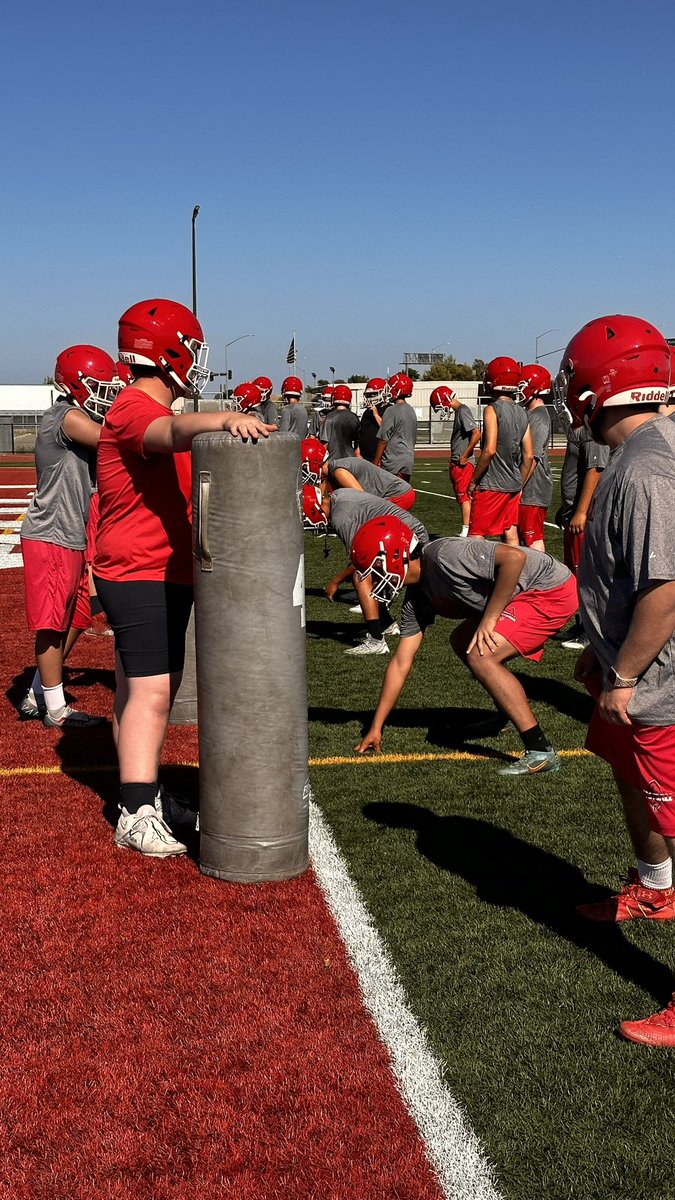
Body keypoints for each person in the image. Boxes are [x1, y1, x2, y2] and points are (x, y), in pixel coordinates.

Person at [93, 298, 274, 858]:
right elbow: (167, 434)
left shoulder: (138, 405)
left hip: (149, 567)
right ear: (169, 349)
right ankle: (135, 810)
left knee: (136, 689)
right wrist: (222, 419)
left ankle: (140, 792)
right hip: (140, 569)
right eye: (191, 349)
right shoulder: (133, 408)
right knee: (152, 691)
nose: (195, 361)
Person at [554, 313, 675, 1045]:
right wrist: (604, 652)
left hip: (657, 683)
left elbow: (664, 592)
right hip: (629, 669)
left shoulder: (648, 469)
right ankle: (654, 891)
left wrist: (624, 673)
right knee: (626, 779)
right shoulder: (635, 459)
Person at [354, 515, 577, 774]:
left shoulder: (444, 555)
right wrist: (376, 726)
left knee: (481, 655)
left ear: (395, 556)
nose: (376, 579)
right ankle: (505, 714)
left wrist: (490, 619)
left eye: (377, 570)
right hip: (524, 595)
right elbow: (401, 662)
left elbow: (514, 559)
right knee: (461, 640)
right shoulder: (416, 600)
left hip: (549, 589)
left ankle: (540, 750)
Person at [19, 344, 119, 728]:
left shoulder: (81, 417)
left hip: (74, 534)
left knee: (78, 614)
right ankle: (57, 710)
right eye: (101, 386)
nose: (107, 394)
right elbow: (112, 439)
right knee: (51, 622)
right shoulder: (63, 417)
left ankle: (37, 689)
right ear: (77, 384)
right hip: (51, 534)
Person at [310, 488, 429, 656]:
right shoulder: (338, 495)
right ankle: (386, 624)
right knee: (368, 572)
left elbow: (359, 560)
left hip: (404, 537)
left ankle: (376, 641)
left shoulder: (341, 517)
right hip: (403, 531)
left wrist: (335, 583)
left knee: (361, 575)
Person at [553, 424, 608, 650]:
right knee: (576, 573)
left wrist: (581, 511)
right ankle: (582, 622)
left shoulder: (590, 430)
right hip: (575, 512)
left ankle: (592, 632)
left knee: (587, 576)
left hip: (586, 517)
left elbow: (595, 469)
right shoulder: (581, 429)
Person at [468, 356, 533, 544]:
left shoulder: (492, 409)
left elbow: (489, 450)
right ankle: (515, 573)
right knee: (510, 533)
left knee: (476, 536)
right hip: (513, 483)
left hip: (492, 484)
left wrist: (473, 481)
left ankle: (476, 573)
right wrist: (518, 482)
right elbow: (528, 455)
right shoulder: (522, 412)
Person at [430, 385, 481, 536]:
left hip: (463, 463)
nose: (441, 410)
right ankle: (469, 528)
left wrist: (465, 455)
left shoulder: (463, 410)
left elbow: (477, 433)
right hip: (459, 461)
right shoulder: (461, 411)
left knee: (464, 496)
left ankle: (466, 530)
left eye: (440, 406)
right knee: (464, 497)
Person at [517, 364, 553, 553]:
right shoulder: (531, 414)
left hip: (533, 488)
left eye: (522, 385)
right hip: (530, 487)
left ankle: (541, 577)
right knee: (524, 537)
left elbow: (533, 457)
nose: (518, 390)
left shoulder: (538, 417)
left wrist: (518, 486)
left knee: (532, 538)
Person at [325, 455, 416, 509]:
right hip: (397, 493)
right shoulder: (335, 467)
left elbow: (362, 499)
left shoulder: (339, 472)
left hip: (399, 495)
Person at [374, 373, 417, 481]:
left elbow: (383, 439)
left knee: (389, 496)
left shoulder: (391, 410)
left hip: (393, 461)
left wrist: (375, 463)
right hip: (408, 461)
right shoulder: (411, 410)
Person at [320, 384, 360, 460]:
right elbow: (357, 442)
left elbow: (324, 442)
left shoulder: (329, 417)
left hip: (334, 459)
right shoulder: (354, 417)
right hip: (351, 458)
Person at [358, 378, 389, 463]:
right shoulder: (366, 412)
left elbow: (387, 430)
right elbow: (361, 434)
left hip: (381, 458)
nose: (371, 398)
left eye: (374, 394)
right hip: (365, 457)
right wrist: (358, 452)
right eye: (369, 395)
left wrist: (376, 414)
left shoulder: (390, 410)